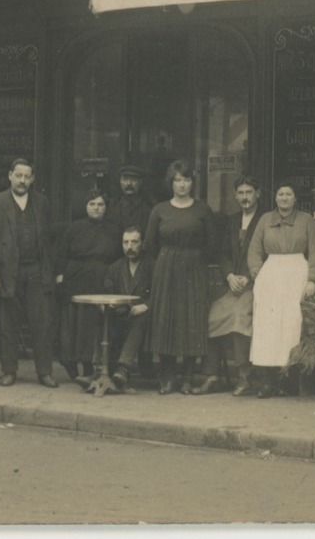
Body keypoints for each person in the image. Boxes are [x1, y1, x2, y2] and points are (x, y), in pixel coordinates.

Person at [145, 159, 222, 394]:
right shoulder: (160, 210)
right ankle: (167, 377)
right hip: (166, 268)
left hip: (194, 268)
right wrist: (168, 259)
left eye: (186, 180)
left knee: (191, 320)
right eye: (177, 180)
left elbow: (213, 245)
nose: (182, 185)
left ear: (192, 182)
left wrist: (193, 259)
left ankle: (188, 376)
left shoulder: (202, 209)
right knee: (167, 319)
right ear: (171, 183)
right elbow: (150, 245)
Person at [0, 158, 58, 388]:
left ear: (32, 179)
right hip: (7, 273)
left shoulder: (41, 202)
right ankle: (9, 371)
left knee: (41, 323)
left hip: (36, 270)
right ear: (10, 176)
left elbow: (49, 239)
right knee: (8, 324)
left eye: (27, 177)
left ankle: (44, 372)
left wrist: (50, 270)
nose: (23, 181)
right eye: (19, 175)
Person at [247, 181, 315, 399]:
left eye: (288, 194)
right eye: (280, 194)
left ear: (295, 198)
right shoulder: (264, 220)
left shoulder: (306, 221)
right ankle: (267, 383)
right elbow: (254, 250)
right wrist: (257, 273)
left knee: (292, 326)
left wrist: (312, 279)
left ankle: (290, 381)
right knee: (267, 327)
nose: (284, 198)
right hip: (271, 274)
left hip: (296, 274)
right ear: (275, 198)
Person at [199, 175, 265, 395]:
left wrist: (248, 276)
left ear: (258, 194)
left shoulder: (265, 220)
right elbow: (223, 253)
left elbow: (268, 253)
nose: (245, 197)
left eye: (249, 192)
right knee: (212, 316)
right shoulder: (231, 221)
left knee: (239, 318)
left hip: (257, 285)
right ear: (235, 196)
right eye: (241, 193)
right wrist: (228, 275)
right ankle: (213, 376)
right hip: (233, 284)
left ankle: (244, 377)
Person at [55, 187, 121, 382]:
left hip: (101, 282)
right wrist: (60, 276)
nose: (96, 208)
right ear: (85, 206)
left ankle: (90, 366)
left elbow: (118, 258)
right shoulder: (74, 228)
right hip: (75, 281)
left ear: (106, 208)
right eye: (92, 204)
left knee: (93, 326)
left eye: (100, 204)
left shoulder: (114, 231)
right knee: (72, 326)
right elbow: (61, 254)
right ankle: (71, 366)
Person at [102, 225, 154, 385]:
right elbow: (108, 290)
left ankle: (123, 368)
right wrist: (109, 304)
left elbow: (162, 293)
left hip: (148, 317)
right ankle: (100, 370)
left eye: (134, 242)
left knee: (140, 319)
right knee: (103, 316)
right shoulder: (115, 268)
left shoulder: (153, 266)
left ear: (142, 244)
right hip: (121, 314)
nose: (129, 247)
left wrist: (147, 305)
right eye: (126, 243)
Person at [105, 164, 152, 241]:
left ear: (140, 182)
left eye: (134, 179)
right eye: (125, 179)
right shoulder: (110, 206)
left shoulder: (149, 207)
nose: (129, 183)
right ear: (120, 181)